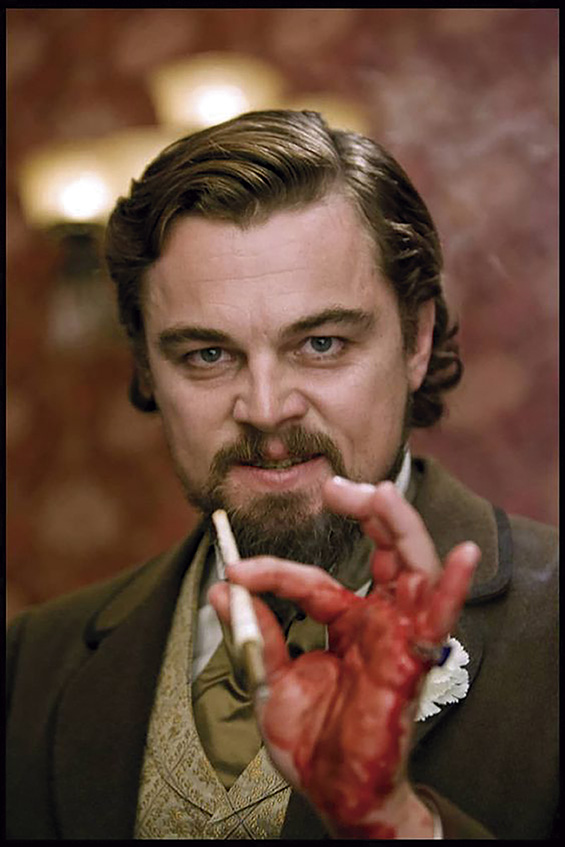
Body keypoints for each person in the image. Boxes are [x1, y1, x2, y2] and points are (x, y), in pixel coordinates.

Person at [6, 110, 557, 840]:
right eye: (207, 355)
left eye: (321, 343)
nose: (266, 410)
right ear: (146, 366)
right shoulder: (31, 664)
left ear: (416, 340)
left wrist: (395, 822)